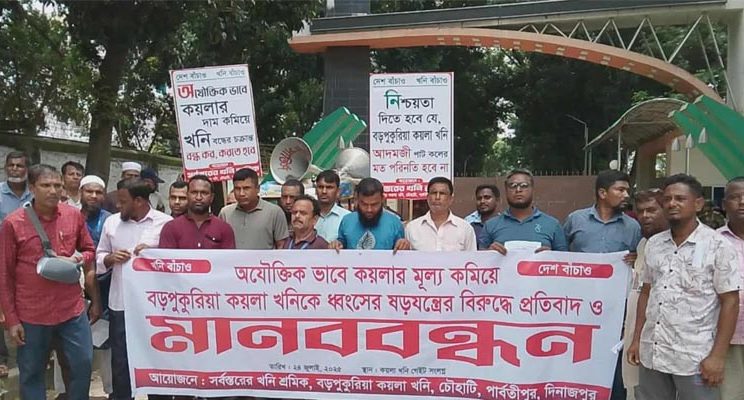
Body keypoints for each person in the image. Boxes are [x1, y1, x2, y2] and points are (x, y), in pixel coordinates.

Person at [628, 174, 741, 400]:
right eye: (667, 199)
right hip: (654, 353)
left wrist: (718, 357)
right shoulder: (654, 244)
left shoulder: (718, 245)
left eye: (680, 198)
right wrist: (638, 339)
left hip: (695, 357)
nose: (672, 203)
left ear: (698, 204)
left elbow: (730, 301)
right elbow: (646, 293)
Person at [0, 164, 100, 399]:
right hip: (32, 314)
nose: (53, 191)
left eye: (57, 185)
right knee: (31, 373)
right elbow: (5, 274)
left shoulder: (73, 215)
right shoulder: (13, 223)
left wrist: (77, 258)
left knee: (82, 365)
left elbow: (89, 249)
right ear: (32, 188)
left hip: (71, 311)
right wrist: (11, 319)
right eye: (46, 185)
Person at [564, 169, 641, 400]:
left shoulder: (632, 227)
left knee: (613, 361)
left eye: (627, 190)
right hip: (579, 307)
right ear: (602, 193)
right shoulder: (576, 220)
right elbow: (561, 254)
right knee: (579, 356)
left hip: (615, 309)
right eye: (620, 189)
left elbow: (638, 262)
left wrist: (636, 258)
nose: (626, 194)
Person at [97, 178, 172, 400]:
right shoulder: (112, 223)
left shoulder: (165, 224)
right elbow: (100, 256)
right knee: (121, 361)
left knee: (158, 359)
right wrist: (110, 258)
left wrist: (154, 253)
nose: (117, 205)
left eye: (123, 201)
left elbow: (175, 262)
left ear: (139, 201)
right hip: (121, 304)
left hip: (156, 308)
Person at [622, 189, 668, 400]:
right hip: (637, 337)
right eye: (640, 211)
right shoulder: (643, 245)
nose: (645, 216)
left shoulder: (674, 246)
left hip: (665, 343)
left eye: (652, 210)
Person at [480, 169, 567, 253]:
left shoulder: (553, 225)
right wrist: (489, 253)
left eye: (524, 185)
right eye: (513, 186)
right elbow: (479, 259)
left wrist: (551, 255)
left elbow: (564, 259)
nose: (518, 190)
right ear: (506, 190)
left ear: (532, 189)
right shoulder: (490, 225)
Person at [0, 151, 32, 376]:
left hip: (28, 258)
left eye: (19, 166)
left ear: (27, 170)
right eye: (11, 165)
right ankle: (2, 358)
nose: (15, 169)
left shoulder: (36, 194)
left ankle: (34, 352)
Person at [329, 177, 410, 251]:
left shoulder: (395, 223)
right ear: (357, 200)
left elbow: (401, 253)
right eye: (364, 204)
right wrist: (336, 244)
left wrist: (403, 245)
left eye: (374, 204)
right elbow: (341, 244)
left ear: (382, 199)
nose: (369, 210)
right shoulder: (347, 221)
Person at [718, 176, 744, 400]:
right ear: (724, 204)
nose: (742, 202)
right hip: (729, 338)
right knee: (730, 395)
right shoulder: (713, 241)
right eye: (735, 197)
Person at [159, 175, 235, 250]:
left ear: (212, 197)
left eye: (204, 193)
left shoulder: (224, 229)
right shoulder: (171, 228)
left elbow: (228, 257)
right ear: (187, 195)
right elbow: (166, 257)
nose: (198, 197)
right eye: (194, 192)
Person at [219, 168, 288, 250]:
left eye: (246, 188)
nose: (241, 193)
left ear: (257, 189)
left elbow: (281, 246)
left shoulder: (275, 212)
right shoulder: (225, 213)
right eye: (237, 189)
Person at [405, 177, 476, 251]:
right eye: (434, 193)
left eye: (442, 193)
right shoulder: (412, 228)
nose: (437, 197)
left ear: (451, 199)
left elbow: (472, 257)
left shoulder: (465, 229)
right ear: (428, 198)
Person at [314, 170, 350, 242]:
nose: (324, 191)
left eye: (329, 187)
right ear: (315, 190)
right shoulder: (307, 214)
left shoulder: (347, 218)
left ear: (338, 191)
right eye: (320, 187)